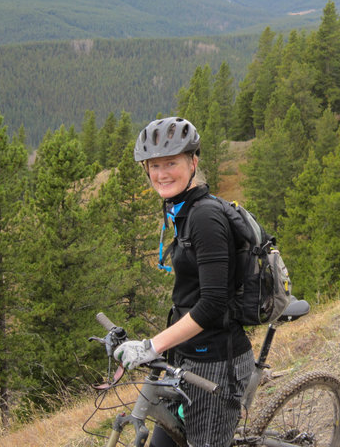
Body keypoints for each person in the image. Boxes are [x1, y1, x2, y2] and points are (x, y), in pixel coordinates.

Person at [113, 116, 254, 447]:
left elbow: (212, 305)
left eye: (171, 163)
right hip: (186, 357)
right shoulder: (182, 210)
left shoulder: (204, 217)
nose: (161, 174)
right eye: (154, 165)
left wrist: (152, 345)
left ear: (193, 162)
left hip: (217, 364)